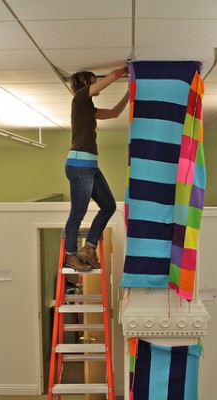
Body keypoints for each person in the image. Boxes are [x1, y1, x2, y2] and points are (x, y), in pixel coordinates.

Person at [64, 66, 130, 271]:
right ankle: (70, 255)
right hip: (79, 165)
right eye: (93, 81)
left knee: (109, 206)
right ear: (85, 84)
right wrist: (127, 70)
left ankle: (89, 248)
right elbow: (110, 78)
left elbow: (114, 113)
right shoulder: (80, 98)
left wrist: (131, 91)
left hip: (90, 166)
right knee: (78, 212)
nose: (96, 83)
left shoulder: (88, 108)